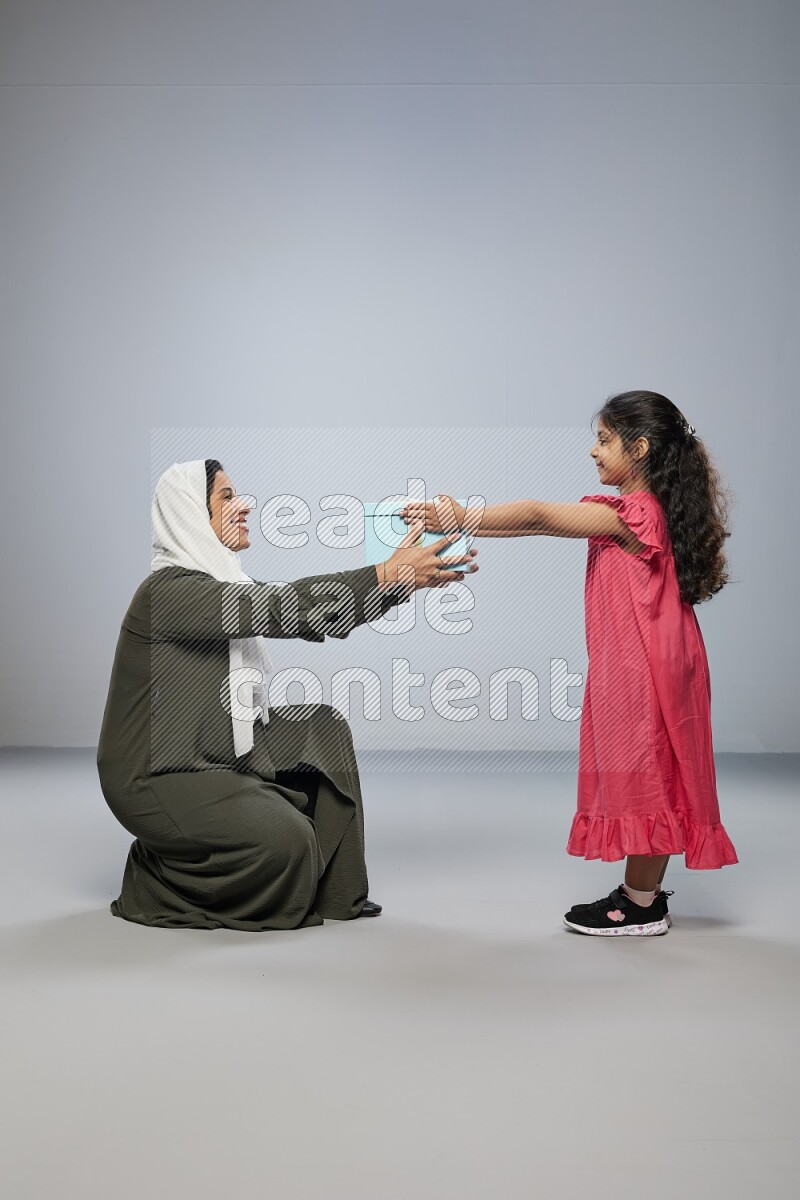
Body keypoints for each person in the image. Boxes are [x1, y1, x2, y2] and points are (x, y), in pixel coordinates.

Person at [402, 390, 738, 936]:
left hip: (646, 667)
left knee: (648, 773)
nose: (594, 451)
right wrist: (464, 524)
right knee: (658, 771)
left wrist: (464, 515)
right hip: (658, 658)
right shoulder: (648, 511)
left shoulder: (634, 514)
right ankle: (642, 894)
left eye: (604, 440)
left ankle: (642, 906)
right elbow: (535, 524)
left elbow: (538, 517)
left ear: (641, 448)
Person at [97, 458, 478, 932]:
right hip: (155, 775)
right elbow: (286, 607)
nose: (244, 506)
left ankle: (335, 893)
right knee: (288, 841)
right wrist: (386, 573)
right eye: (226, 497)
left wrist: (400, 581)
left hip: (211, 752)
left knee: (323, 727)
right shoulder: (167, 593)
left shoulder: (223, 586)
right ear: (192, 513)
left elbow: (314, 614)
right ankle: (156, 875)